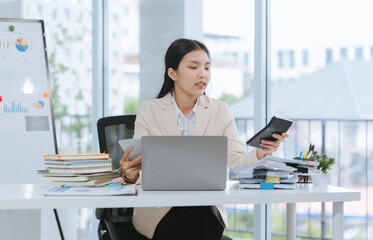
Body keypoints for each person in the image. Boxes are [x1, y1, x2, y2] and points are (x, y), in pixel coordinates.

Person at [120, 38, 288, 240]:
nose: (203, 74)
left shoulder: (220, 111)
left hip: (206, 208)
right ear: (172, 73)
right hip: (160, 211)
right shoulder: (149, 111)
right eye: (193, 67)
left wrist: (260, 152)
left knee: (200, 211)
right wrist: (128, 175)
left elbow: (237, 162)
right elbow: (139, 168)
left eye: (207, 68)